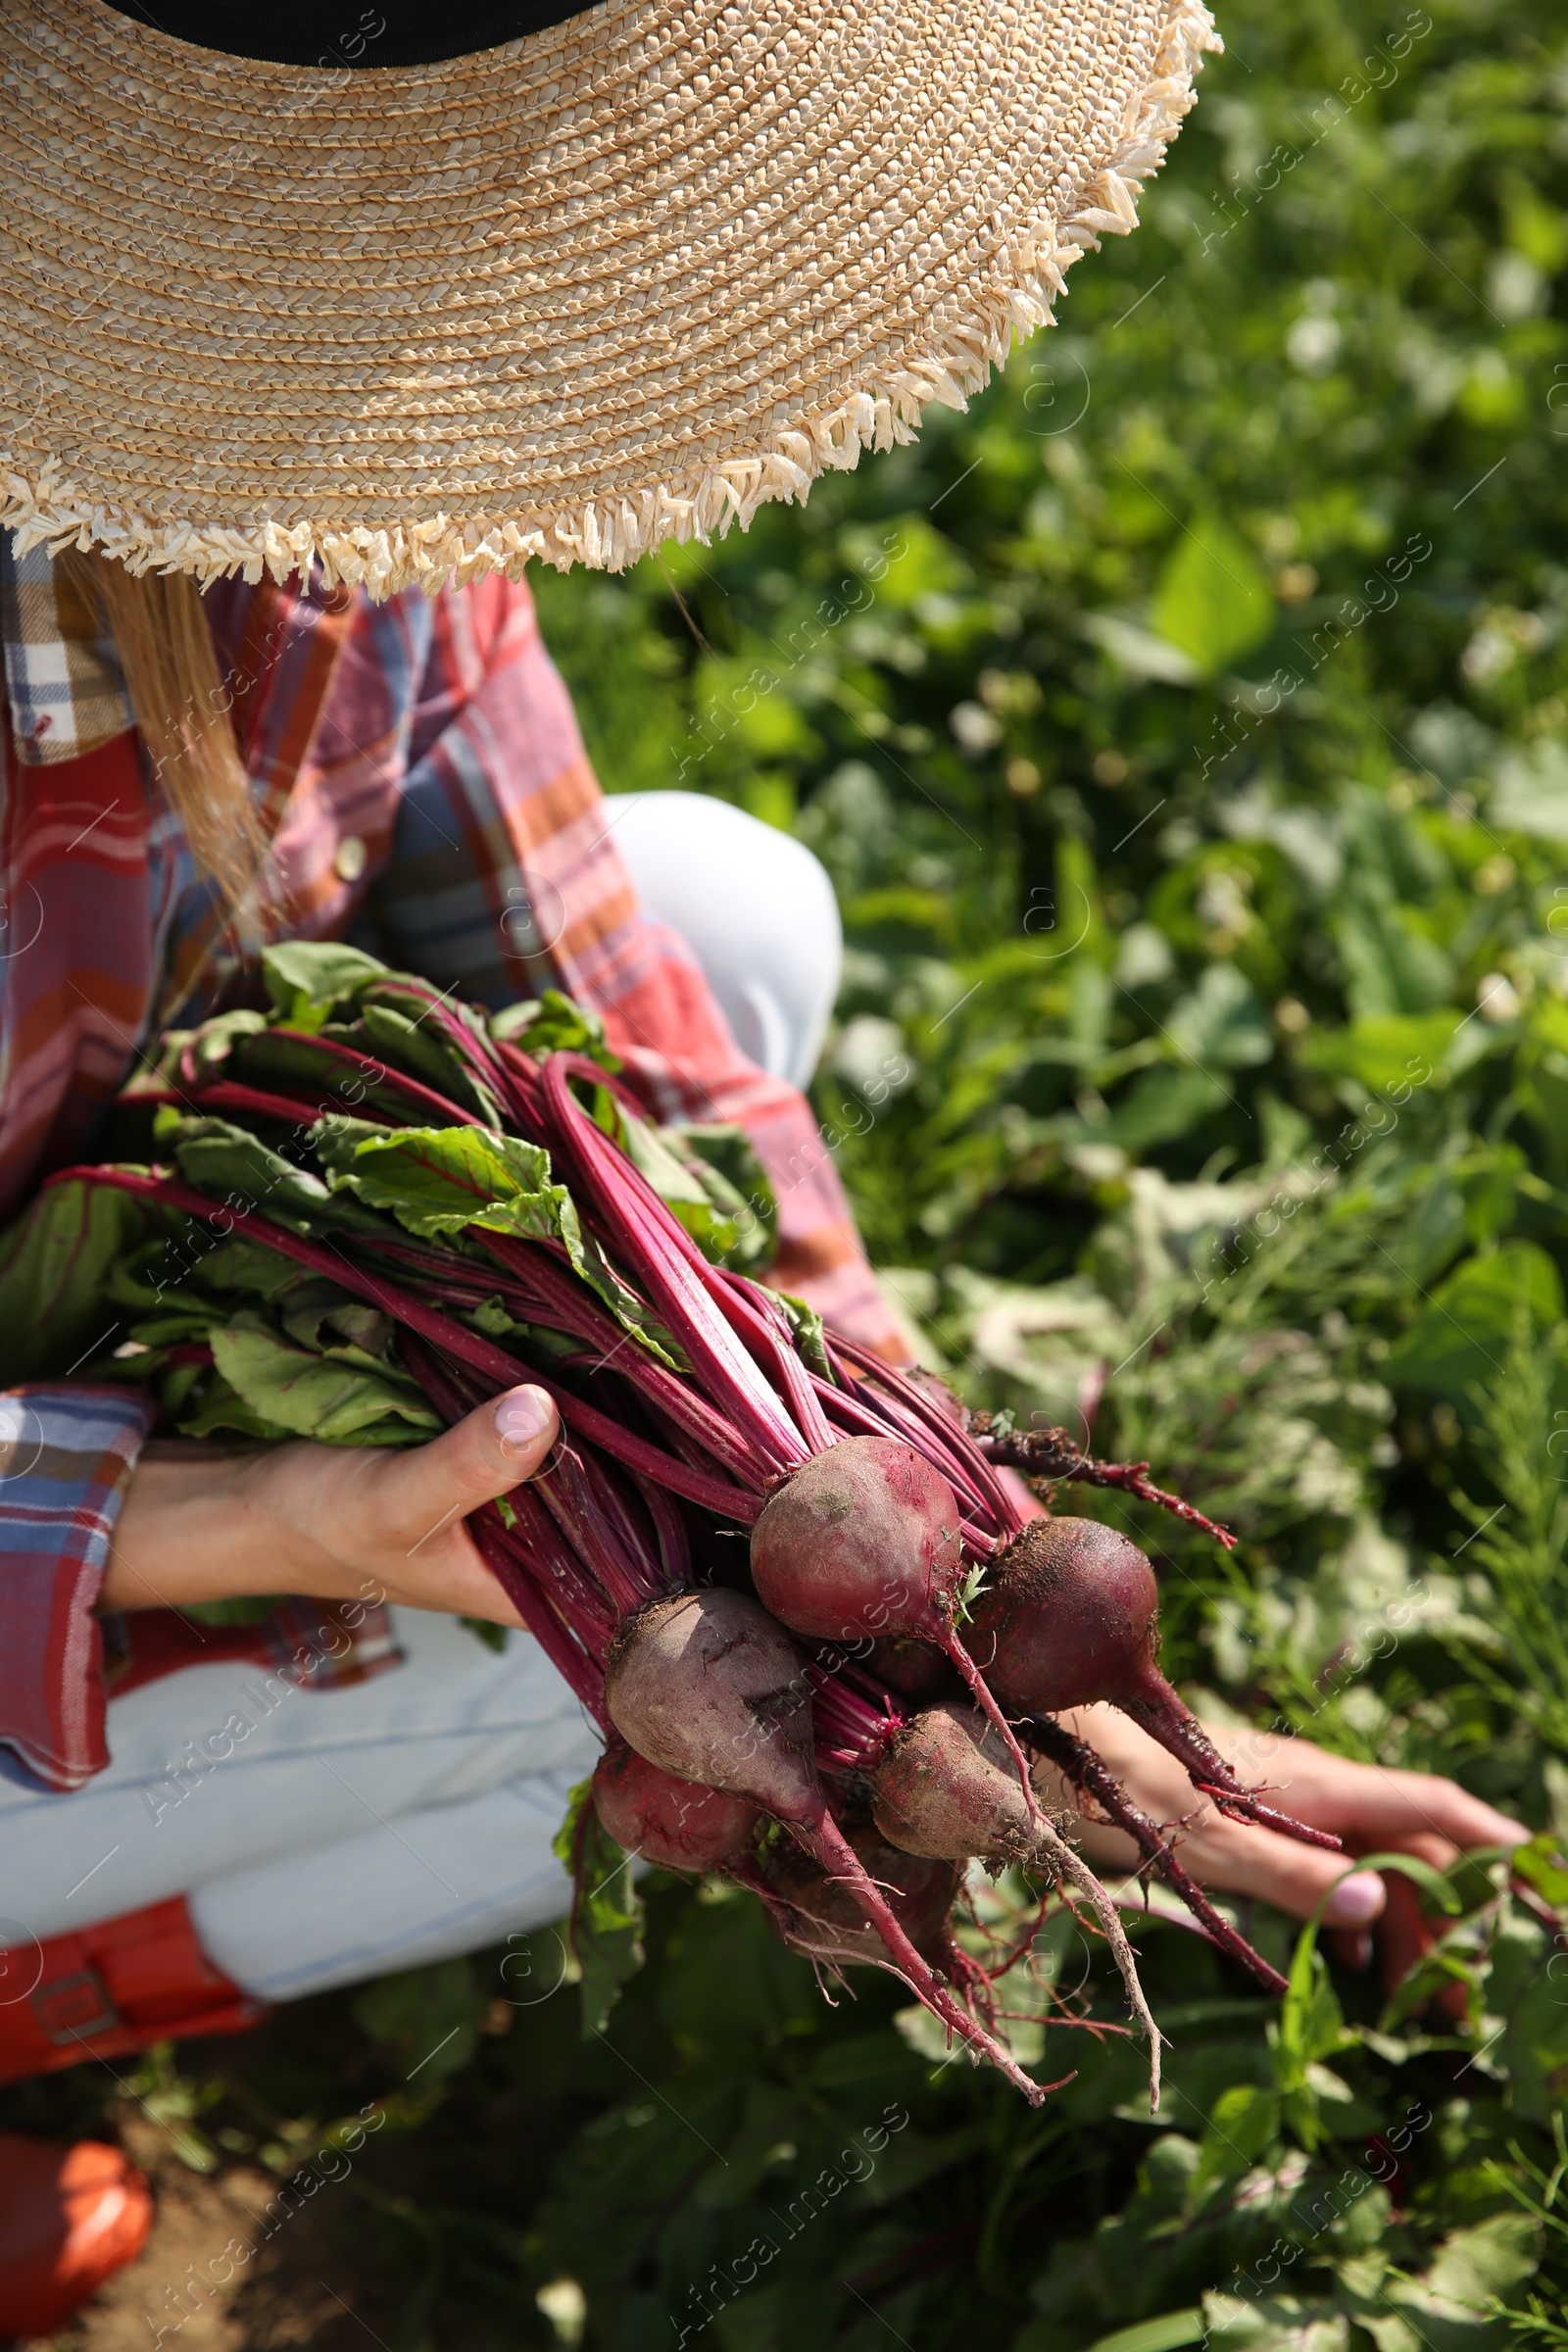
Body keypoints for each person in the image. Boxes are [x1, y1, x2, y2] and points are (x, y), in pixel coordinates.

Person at [0, 0, 1522, 2328]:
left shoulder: (334, 475)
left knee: (726, 918)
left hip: (74, 1296)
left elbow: (612, 997)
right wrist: (278, 1531)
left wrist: (971, 1581)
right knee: (577, 1684)